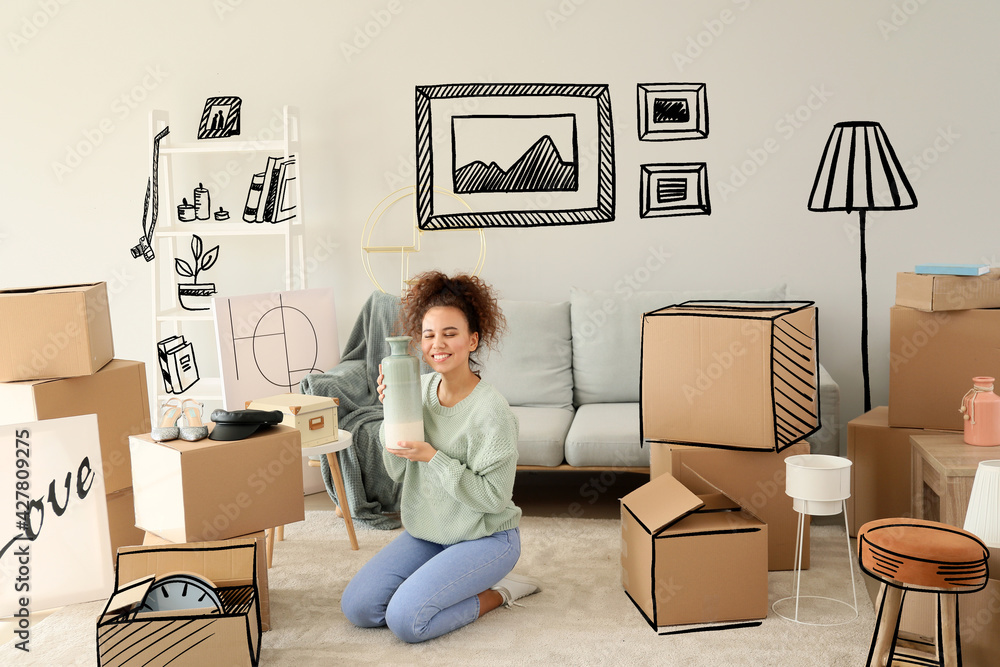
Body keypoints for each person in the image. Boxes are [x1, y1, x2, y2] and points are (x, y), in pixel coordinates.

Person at [340, 271, 540, 643]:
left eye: (450, 333)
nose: (438, 344)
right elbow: (398, 470)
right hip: (431, 533)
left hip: (487, 538)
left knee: (406, 621)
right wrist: (393, 410)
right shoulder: (417, 389)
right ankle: (446, 577)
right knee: (360, 608)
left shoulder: (492, 412)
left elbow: (494, 498)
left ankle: (503, 590)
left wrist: (433, 457)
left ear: (472, 340)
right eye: (429, 335)